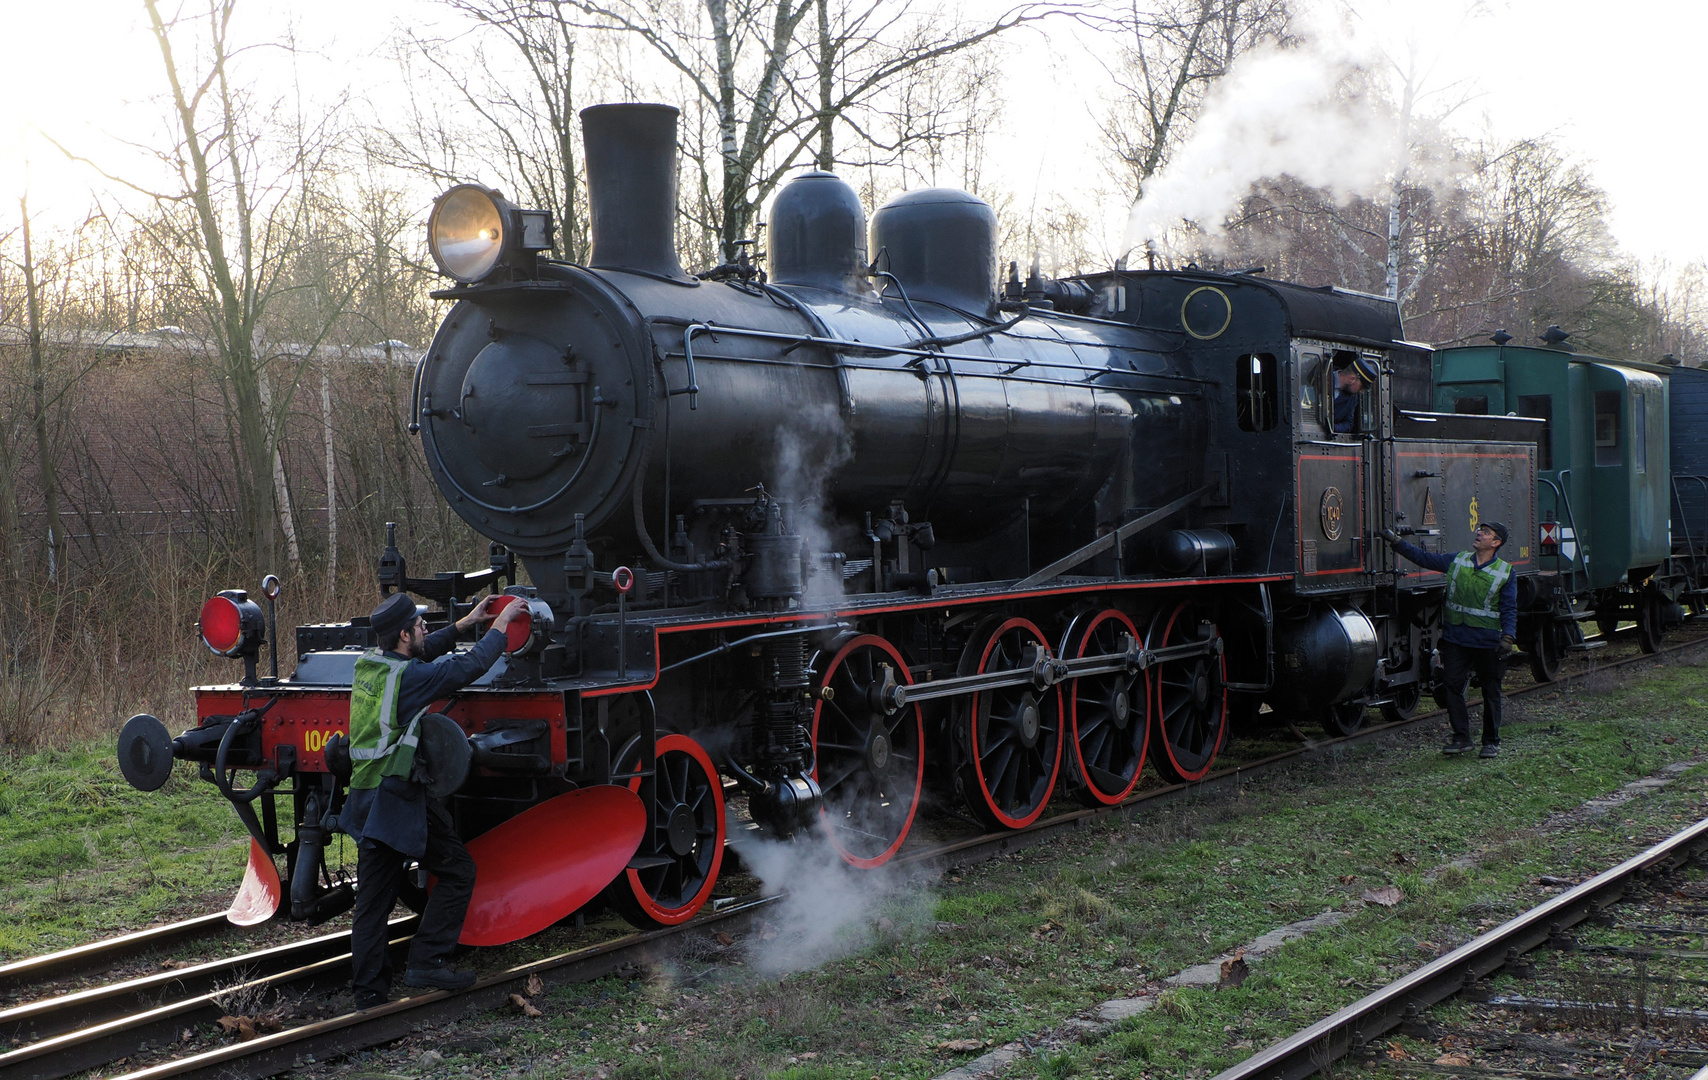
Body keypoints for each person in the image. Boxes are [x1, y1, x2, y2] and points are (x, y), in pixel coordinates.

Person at [345, 590, 524, 1009]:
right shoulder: (411, 679)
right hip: (396, 797)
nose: (427, 628)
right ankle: (426, 960)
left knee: (373, 901)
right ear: (406, 634)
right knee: (459, 871)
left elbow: (423, 654)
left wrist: (464, 624)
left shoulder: (372, 665)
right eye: (422, 625)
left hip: (366, 794)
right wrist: (500, 627)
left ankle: (369, 993)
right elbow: (468, 667)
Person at [1380, 521, 1518, 758]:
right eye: (1479, 530)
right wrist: (1397, 543)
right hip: (1457, 639)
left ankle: (1491, 742)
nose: (1478, 533)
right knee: (1451, 687)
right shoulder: (1459, 560)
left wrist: (1508, 636)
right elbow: (1424, 559)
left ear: (1496, 543)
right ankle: (1462, 737)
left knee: (1491, 691)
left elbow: (1508, 608)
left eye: (1485, 533)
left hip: (1487, 642)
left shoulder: (1505, 572)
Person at [1332, 355, 1378, 433]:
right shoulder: (1320, 377)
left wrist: (1331, 428)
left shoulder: (1352, 398)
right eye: (1362, 387)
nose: (1362, 391)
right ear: (1352, 379)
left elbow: (1348, 424)